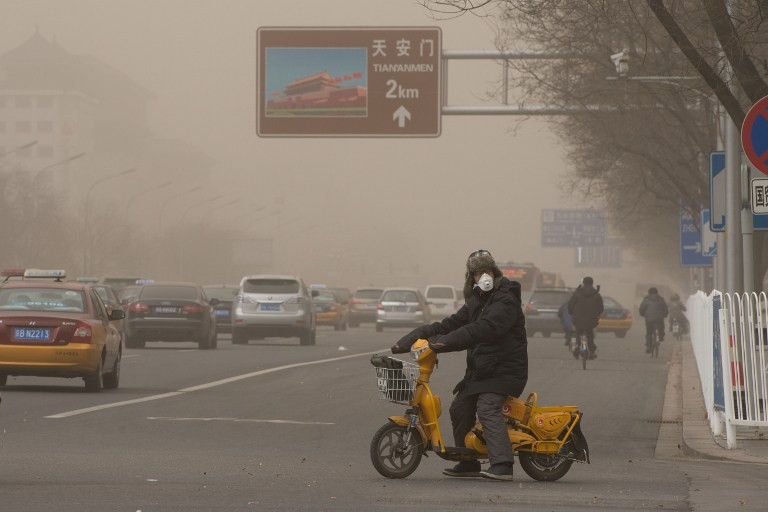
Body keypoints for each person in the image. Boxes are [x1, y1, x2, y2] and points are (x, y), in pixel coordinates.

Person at [390, 249, 528, 481]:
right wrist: (415, 337)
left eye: (486, 271)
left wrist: (441, 344)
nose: (481, 277)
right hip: (483, 371)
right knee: (459, 408)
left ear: (494, 272)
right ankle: (468, 462)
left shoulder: (505, 300)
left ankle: (503, 464)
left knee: (487, 408)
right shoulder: (477, 301)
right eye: (476, 273)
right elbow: (451, 324)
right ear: (471, 277)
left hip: (504, 371)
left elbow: (481, 329)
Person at [567, 277, 604, 359]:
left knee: (578, 332)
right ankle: (591, 351)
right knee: (589, 333)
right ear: (592, 283)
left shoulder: (577, 293)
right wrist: (597, 314)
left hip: (578, 319)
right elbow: (601, 308)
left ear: (583, 283)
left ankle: (576, 347)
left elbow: (570, 306)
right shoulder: (596, 295)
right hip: (591, 320)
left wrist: (571, 313)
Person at [639, 287, 668, 352]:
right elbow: (665, 309)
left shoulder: (646, 299)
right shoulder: (661, 299)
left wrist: (643, 314)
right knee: (661, 327)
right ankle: (660, 337)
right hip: (659, 319)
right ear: (657, 292)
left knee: (649, 332)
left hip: (649, 319)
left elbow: (641, 309)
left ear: (649, 293)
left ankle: (649, 346)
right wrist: (665, 315)